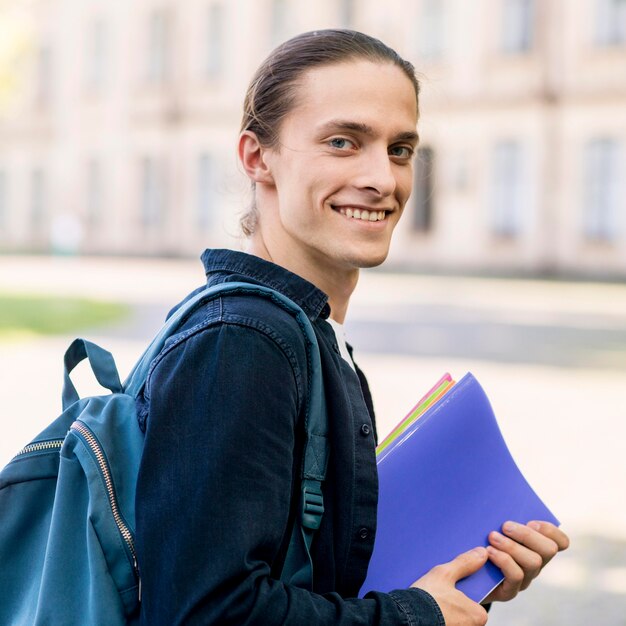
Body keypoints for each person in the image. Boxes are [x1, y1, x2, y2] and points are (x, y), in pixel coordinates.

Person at [135, 29, 569, 625]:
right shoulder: (242, 342)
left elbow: (308, 579)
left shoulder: (307, 337)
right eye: (343, 142)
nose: (383, 180)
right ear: (257, 157)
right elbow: (205, 613)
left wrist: (460, 576)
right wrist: (414, 617)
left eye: (400, 149)